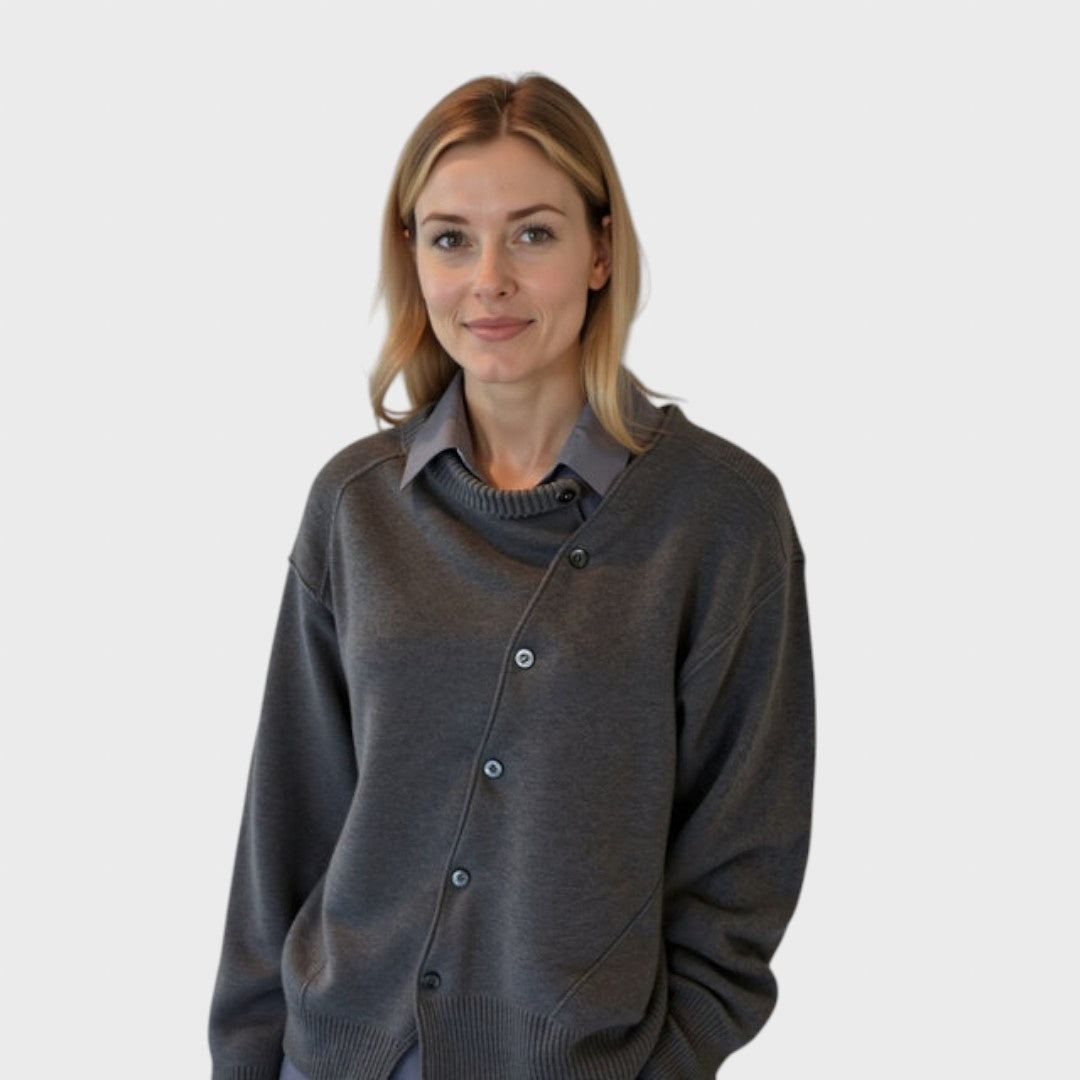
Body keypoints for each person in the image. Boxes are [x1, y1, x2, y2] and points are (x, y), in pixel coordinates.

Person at [208, 73, 814, 1080]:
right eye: (452, 238)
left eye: (532, 234)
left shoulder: (719, 516)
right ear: (413, 258)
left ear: (601, 251)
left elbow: (743, 859)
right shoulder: (357, 504)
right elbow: (288, 820)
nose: (488, 280)